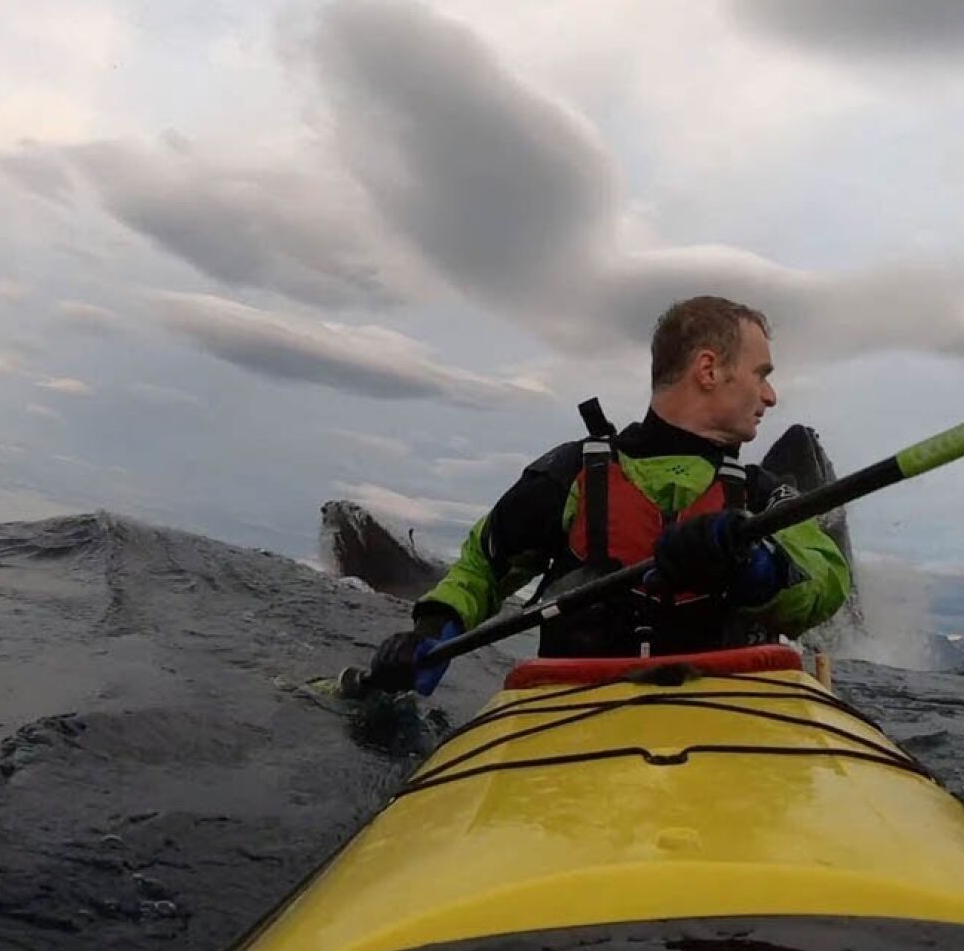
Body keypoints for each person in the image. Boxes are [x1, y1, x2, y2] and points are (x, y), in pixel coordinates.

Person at [364, 296, 850, 693]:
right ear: (708, 369)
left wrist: (755, 564)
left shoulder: (765, 498)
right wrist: (431, 631)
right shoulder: (571, 474)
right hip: (574, 718)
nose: (770, 396)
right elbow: (481, 569)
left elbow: (827, 583)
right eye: (761, 373)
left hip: (732, 725)